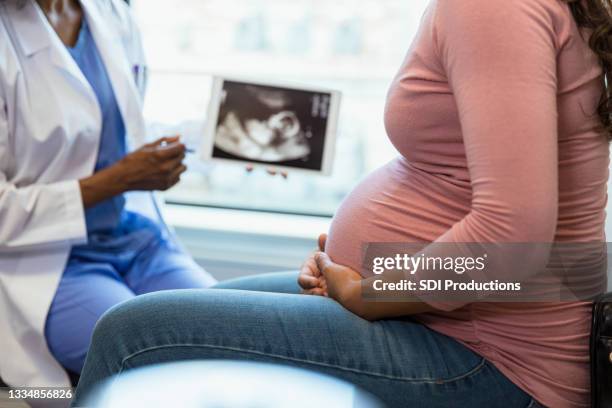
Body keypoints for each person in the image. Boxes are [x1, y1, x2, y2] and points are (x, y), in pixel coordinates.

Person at [74, 0, 609, 407]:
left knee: (132, 336)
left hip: (494, 356)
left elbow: (515, 239)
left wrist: (372, 290)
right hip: (449, 315)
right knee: (185, 311)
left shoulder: (493, 9)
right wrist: (360, 269)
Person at [0, 0, 217, 388]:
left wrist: (225, 142)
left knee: (234, 339)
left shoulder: (108, 10)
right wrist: (119, 179)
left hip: (133, 238)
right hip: (45, 261)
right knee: (156, 371)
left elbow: (113, 128)